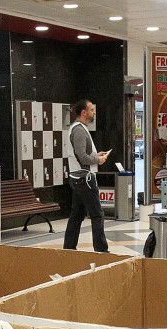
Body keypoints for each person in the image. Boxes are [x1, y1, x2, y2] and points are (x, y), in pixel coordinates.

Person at [62, 99, 111, 252]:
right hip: (85, 179)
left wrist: (96, 154)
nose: (94, 112)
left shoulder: (79, 128)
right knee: (97, 214)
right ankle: (101, 250)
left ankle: (69, 248)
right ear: (83, 113)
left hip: (78, 179)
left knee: (76, 215)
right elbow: (82, 157)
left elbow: (82, 155)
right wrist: (99, 159)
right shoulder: (78, 130)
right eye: (91, 109)